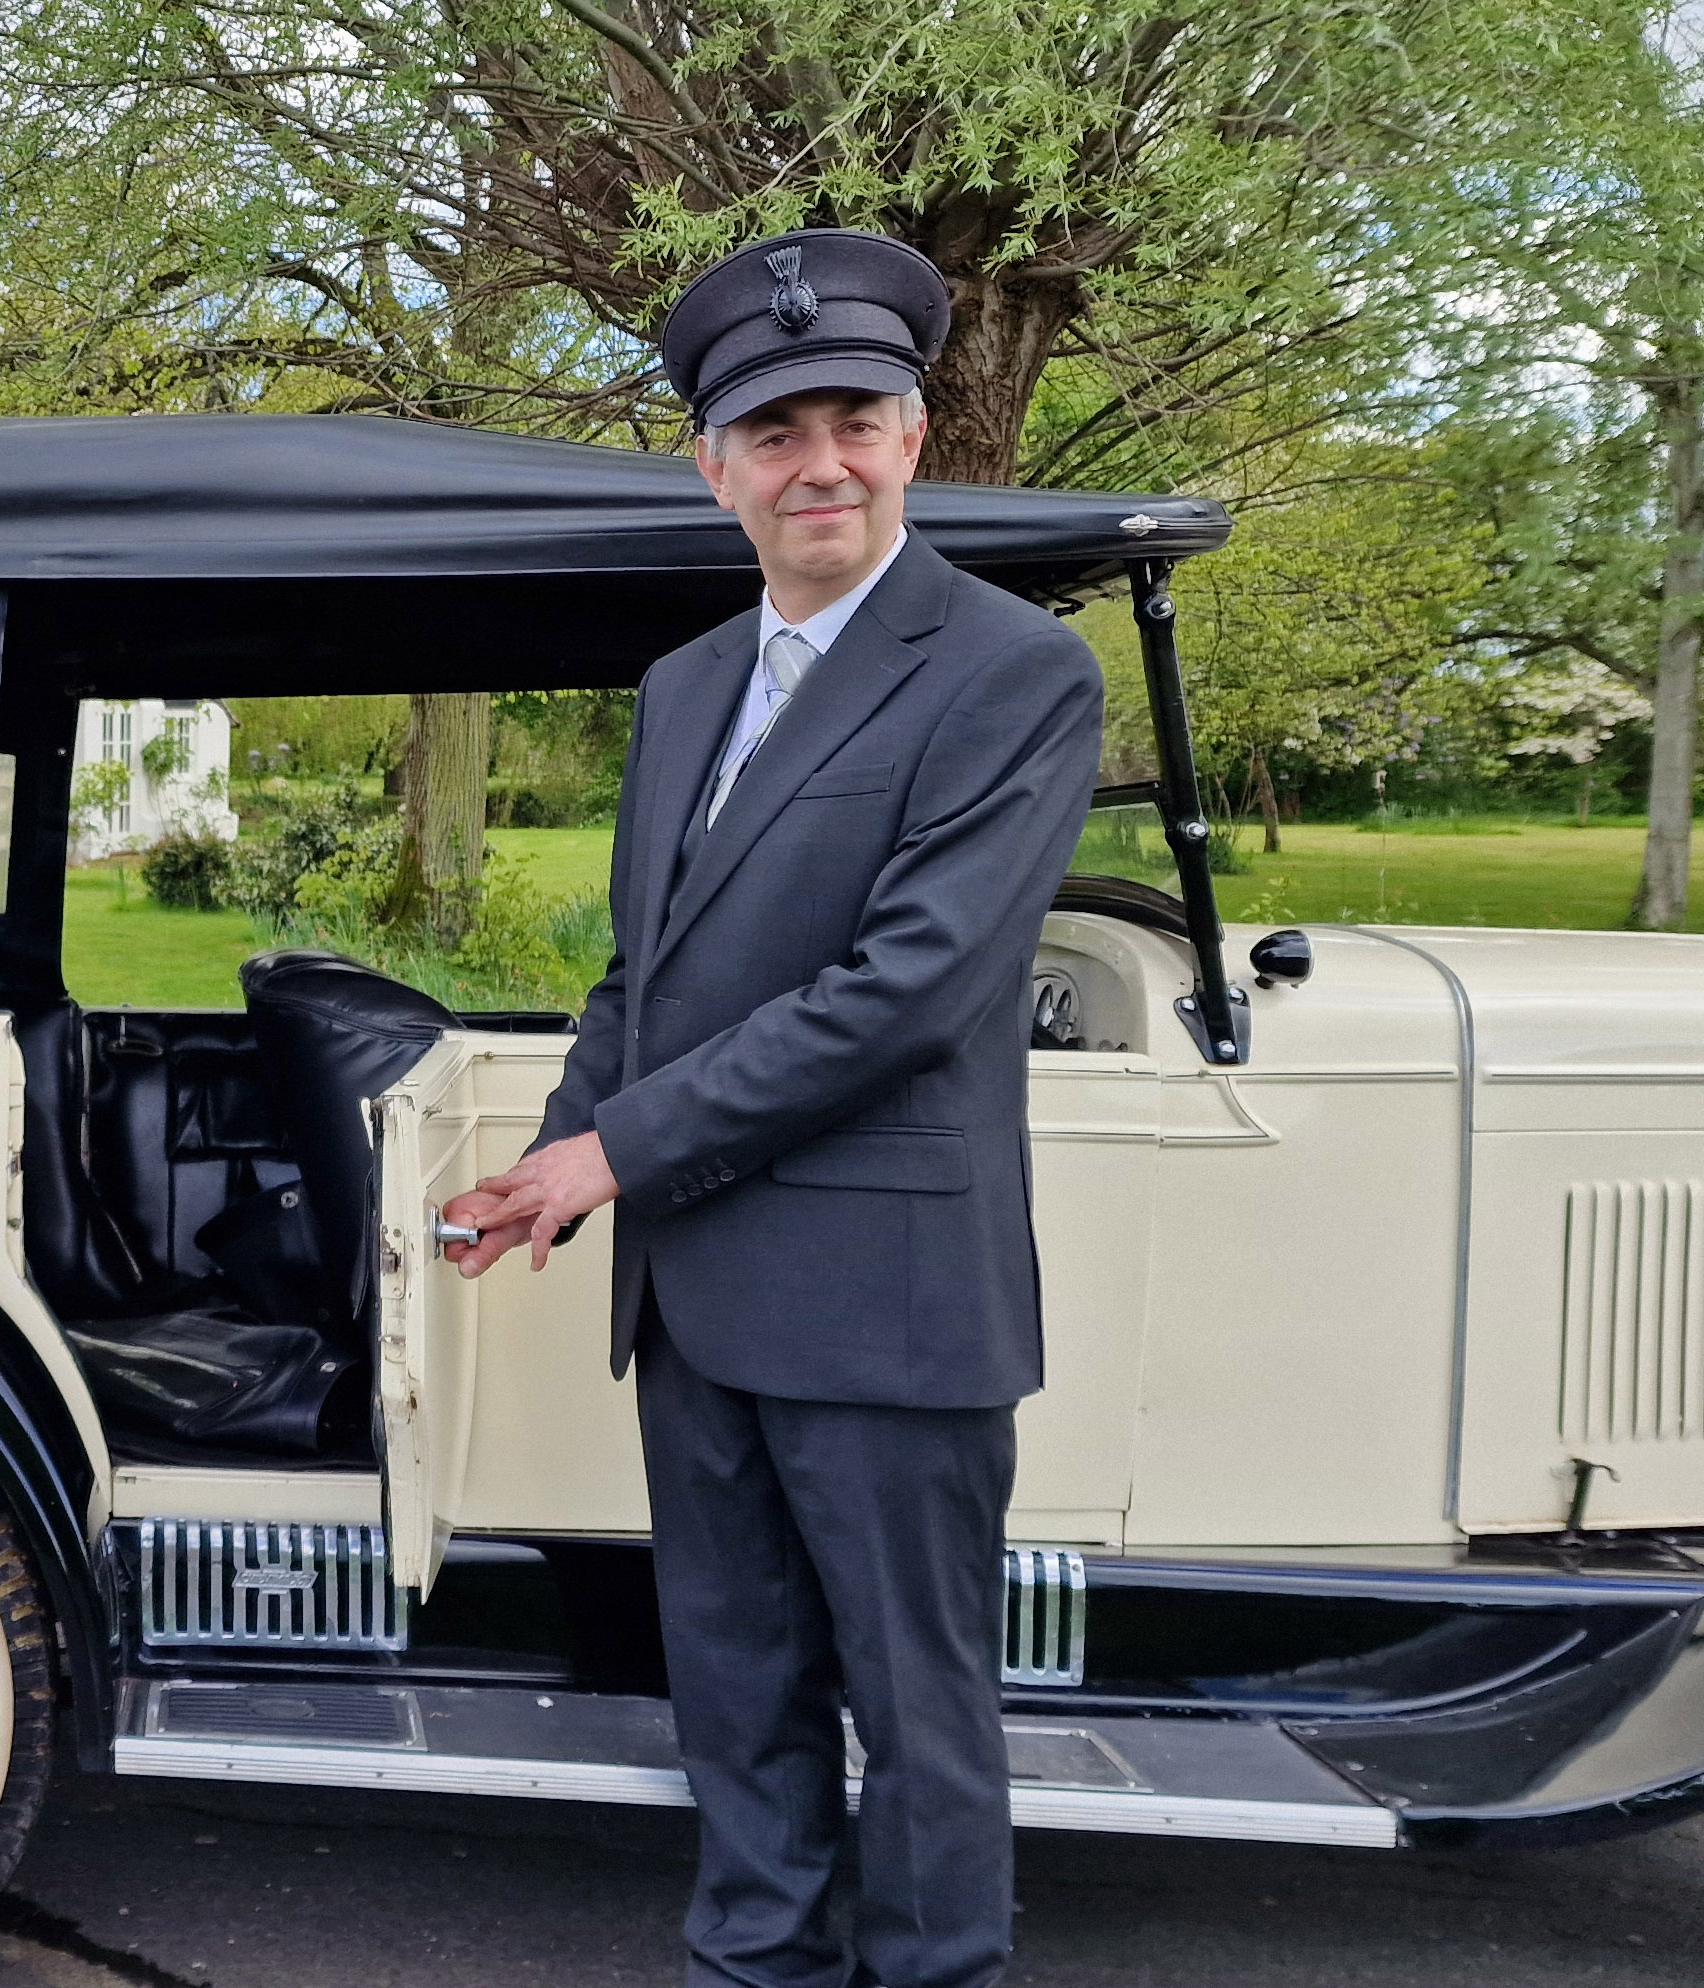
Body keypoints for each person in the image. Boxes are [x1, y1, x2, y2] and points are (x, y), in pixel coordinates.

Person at [441, 228, 1104, 1988]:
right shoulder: (679, 688)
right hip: (698, 1298)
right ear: (712, 463)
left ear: (911, 437)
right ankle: (754, 1965)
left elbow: (903, 995)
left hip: (887, 1310)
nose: (820, 460)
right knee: (734, 1689)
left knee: (918, 1703)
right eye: (776, 428)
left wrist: (617, 1147)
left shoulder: (1009, 672)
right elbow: (640, 978)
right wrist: (553, 1166)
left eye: (856, 418)